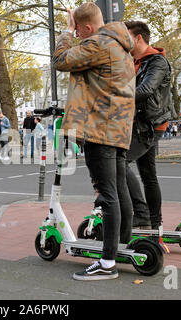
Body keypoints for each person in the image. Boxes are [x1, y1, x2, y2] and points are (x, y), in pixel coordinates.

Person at [53, 2, 135, 280]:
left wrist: (65, 32)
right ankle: (119, 245)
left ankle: (107, 263)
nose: (76, 34)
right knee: (118, 190)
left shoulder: (98, 43)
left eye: (77, 29)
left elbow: (61, 61)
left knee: (107, 194)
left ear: (87, 27)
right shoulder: (119, 45)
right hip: (118, 129)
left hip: (99, 129)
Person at [124, 21, 174, 230]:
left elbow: (145, 90)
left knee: (119, 161)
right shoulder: (134, 61)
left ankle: (142, 213)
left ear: (138, 38)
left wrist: (113, 97)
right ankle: (155, 224)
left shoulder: (157, 62)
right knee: (148, 176)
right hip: (139, 124)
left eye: (126, 37)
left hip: (151, 125)